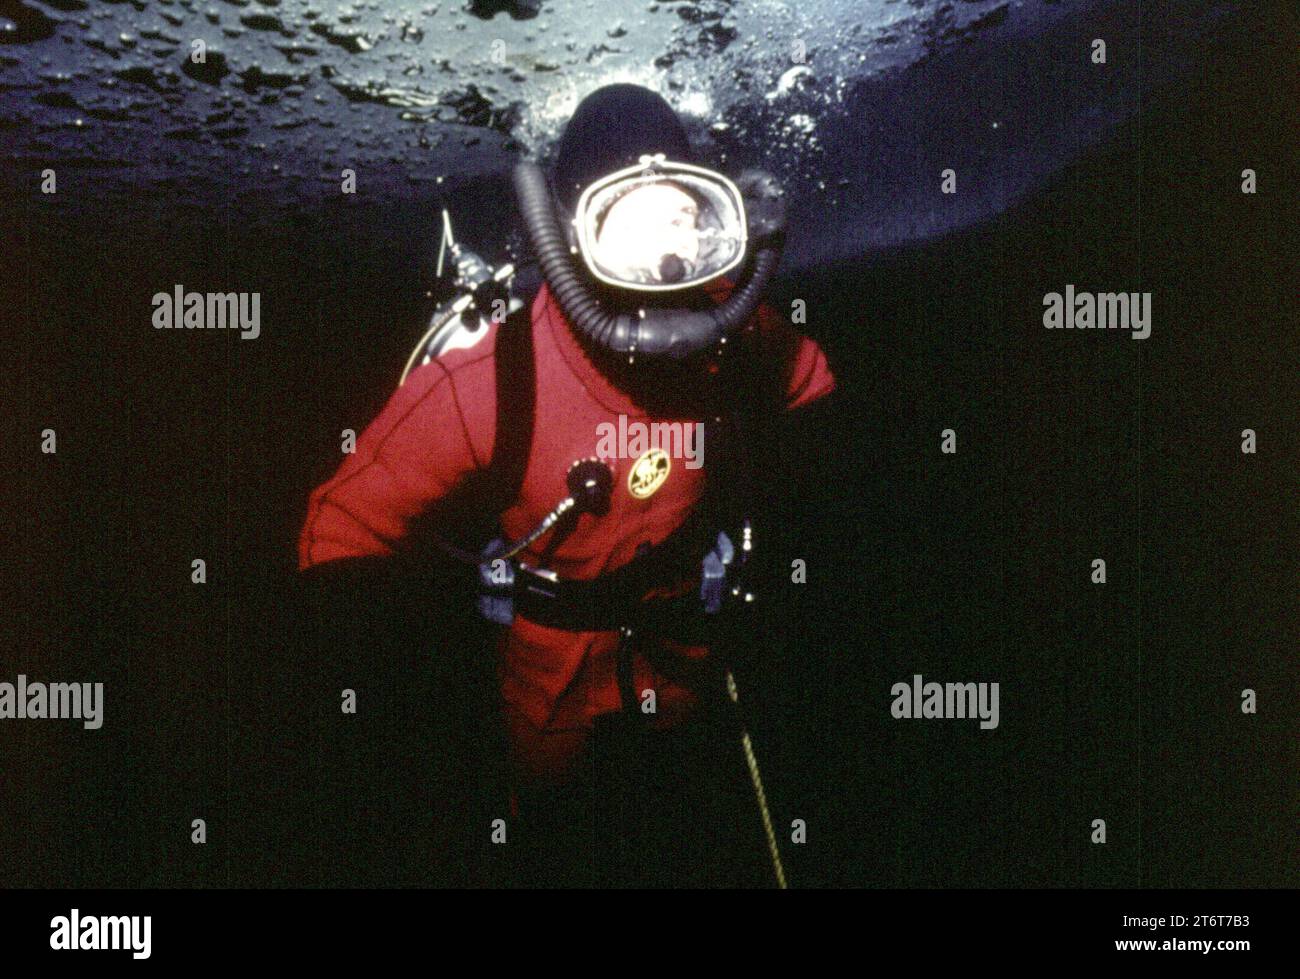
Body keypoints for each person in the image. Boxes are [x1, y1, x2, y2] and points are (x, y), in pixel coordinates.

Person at [297, 84, 836, 886]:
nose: (666, 258)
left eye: (684, 217)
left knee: (684, 826)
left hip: (688, 646)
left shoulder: (736, 329)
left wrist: (792, 541)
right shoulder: (493, 381)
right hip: (549, 673)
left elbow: (810, 381)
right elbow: (335, 531)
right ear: (570, 236)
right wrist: (390, 716)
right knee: (550, 837)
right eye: (631, 223)